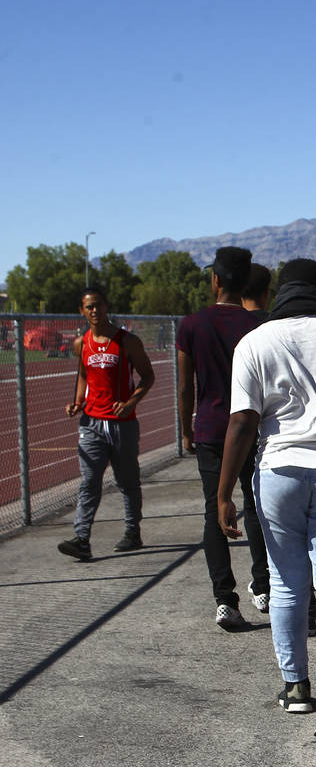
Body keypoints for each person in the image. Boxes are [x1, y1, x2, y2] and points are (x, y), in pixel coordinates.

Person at [216, 258, 316, 739]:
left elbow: (243, 422)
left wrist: (222, 493)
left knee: (288, 584)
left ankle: (296, 689)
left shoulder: (255, 341)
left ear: (281, 290)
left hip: (279, 472)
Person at [177, 246, 270, 631]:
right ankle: (264, 585)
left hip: (212, 428)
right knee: (257, 506)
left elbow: (185, 385)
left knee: (214, 509)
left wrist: (186, 429)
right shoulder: (260, 326)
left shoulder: (192, 325)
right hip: (255, 426)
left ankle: (225, 599)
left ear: (215, 280)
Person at [58, 287, 154, 560]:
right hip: (91, 423)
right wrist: (77, 402)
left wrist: (130, 403)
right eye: (89, 307)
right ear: (81, 311)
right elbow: (83, 376)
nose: (94, 311)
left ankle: (132, 531)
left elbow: (148, 377)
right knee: (89, 481)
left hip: (122, 424)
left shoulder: (126, 341)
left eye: (98, 305)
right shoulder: (82, 344)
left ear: (106, 306)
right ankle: (81, 538)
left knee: (127, 481)